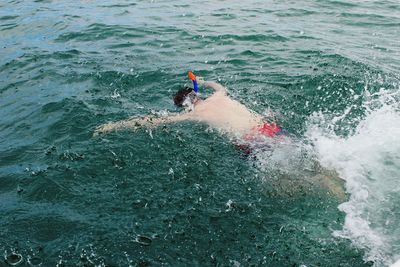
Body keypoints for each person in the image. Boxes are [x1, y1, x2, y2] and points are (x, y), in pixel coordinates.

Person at [94, 74, 283, 149]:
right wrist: (202, 81)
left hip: (250, 140)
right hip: (267, 126)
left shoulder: (193, 114)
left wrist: (114, 126)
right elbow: (218, 86)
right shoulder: (219, 96)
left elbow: (154, 121)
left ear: (185, 105)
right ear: (196, 95)